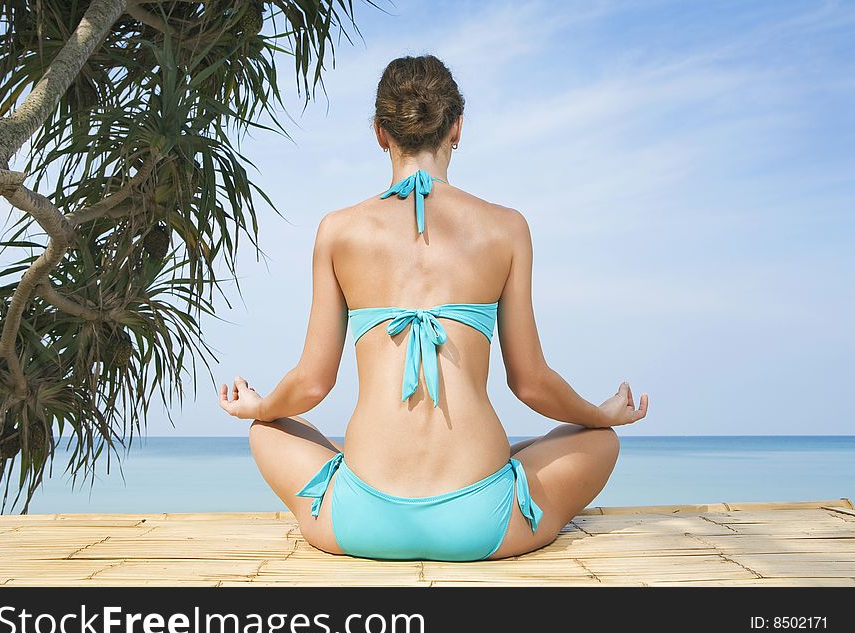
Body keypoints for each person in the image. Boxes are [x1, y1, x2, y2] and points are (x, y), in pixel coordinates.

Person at [219, 54, 648, 561]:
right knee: (601, 442)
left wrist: (261, 407)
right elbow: (531, 382)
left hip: (362, 520)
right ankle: (476, 464)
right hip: (483, 523)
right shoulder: (506, 227)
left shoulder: (337, 229)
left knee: (271, 431)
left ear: (381, 132)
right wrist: (598, 414)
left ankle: (389, 475)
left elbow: (312, 384)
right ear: (458, 128)